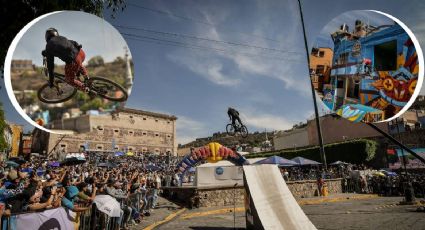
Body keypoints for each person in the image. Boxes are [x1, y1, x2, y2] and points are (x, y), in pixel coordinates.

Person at [42, 28, 88, 92]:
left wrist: (51, 82)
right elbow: (72, 43)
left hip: (74, 60)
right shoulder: (61, 38)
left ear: (47, 37)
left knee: (69, 80)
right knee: (77, 62)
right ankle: (86, 77)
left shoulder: (49, 45)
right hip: (81, 53)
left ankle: (86, 89)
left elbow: (50, 66)